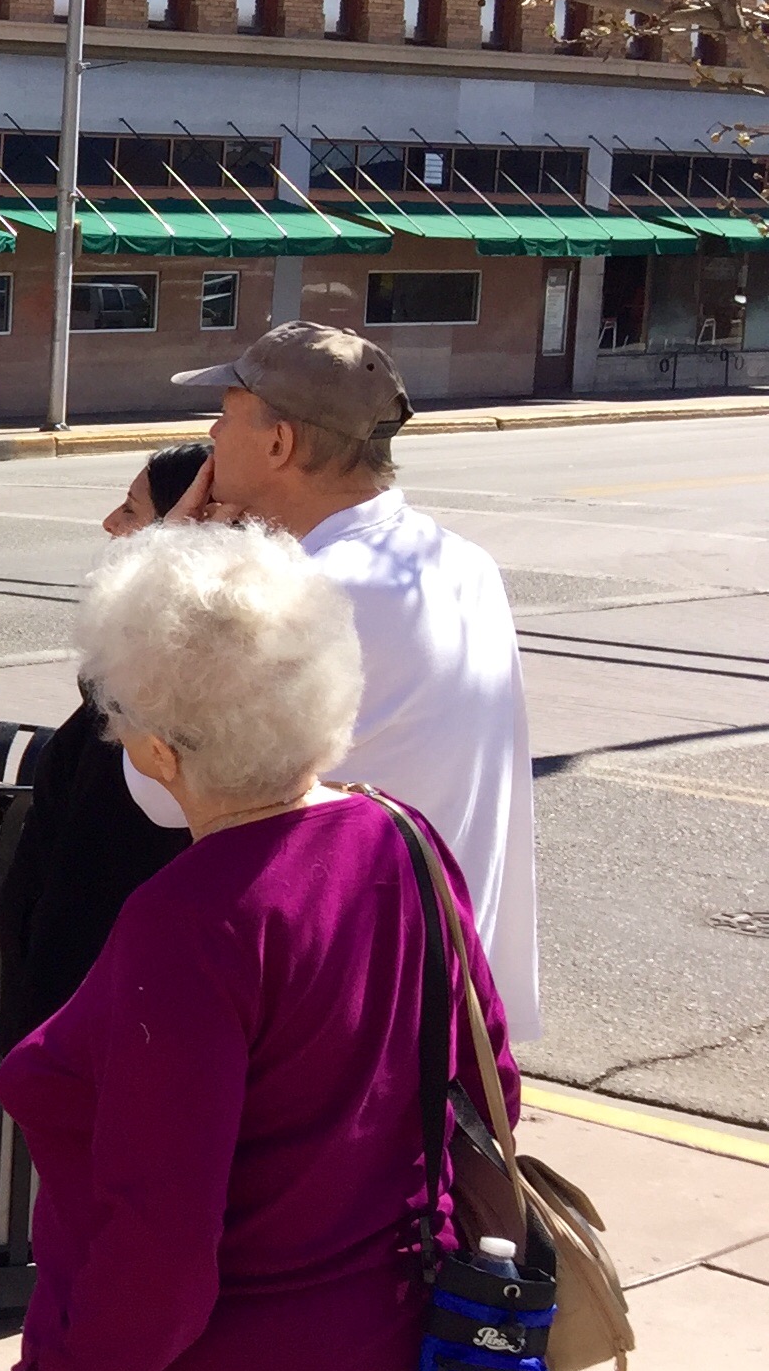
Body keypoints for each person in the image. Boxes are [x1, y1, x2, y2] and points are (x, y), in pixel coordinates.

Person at [2, 519, 509, 1371]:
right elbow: (490, 1085)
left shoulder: (193, 923)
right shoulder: (403, 844)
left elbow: (159, 1250)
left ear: (161, 748)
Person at [166, 320, 542, 1038]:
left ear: (280, 444)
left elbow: (156, 785)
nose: (212, 433)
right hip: (449, 1000)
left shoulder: (302, 593)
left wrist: (176, 565)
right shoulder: (463, 560)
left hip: (346, 1020)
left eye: (227, 412)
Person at [0, 439, 205, 1371]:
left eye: (134, 509)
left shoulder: (184, 703)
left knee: (101, 1265)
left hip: (110, 1050)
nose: (112, 527)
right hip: (76, 1040)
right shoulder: (132, 675)